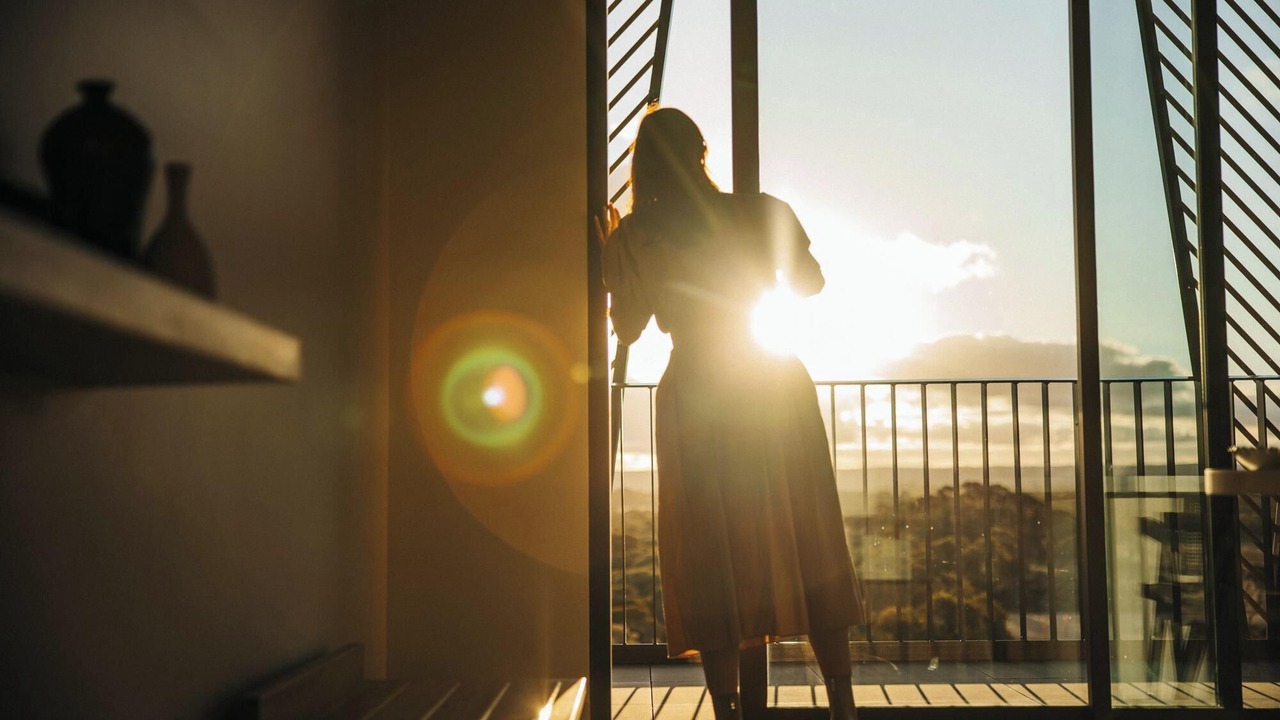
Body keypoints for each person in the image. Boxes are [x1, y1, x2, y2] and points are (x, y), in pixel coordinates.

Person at [597, 106, 864, 720]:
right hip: (768, 381)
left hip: (696, 391)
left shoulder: (636, 236)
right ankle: (844, 708)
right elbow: (808, 284)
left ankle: (727, 712)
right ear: (702, 153)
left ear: (642, 167)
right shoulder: (760, 210)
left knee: (708, 547)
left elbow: (631, 328)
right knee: (806, 531)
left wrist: (612, 256)